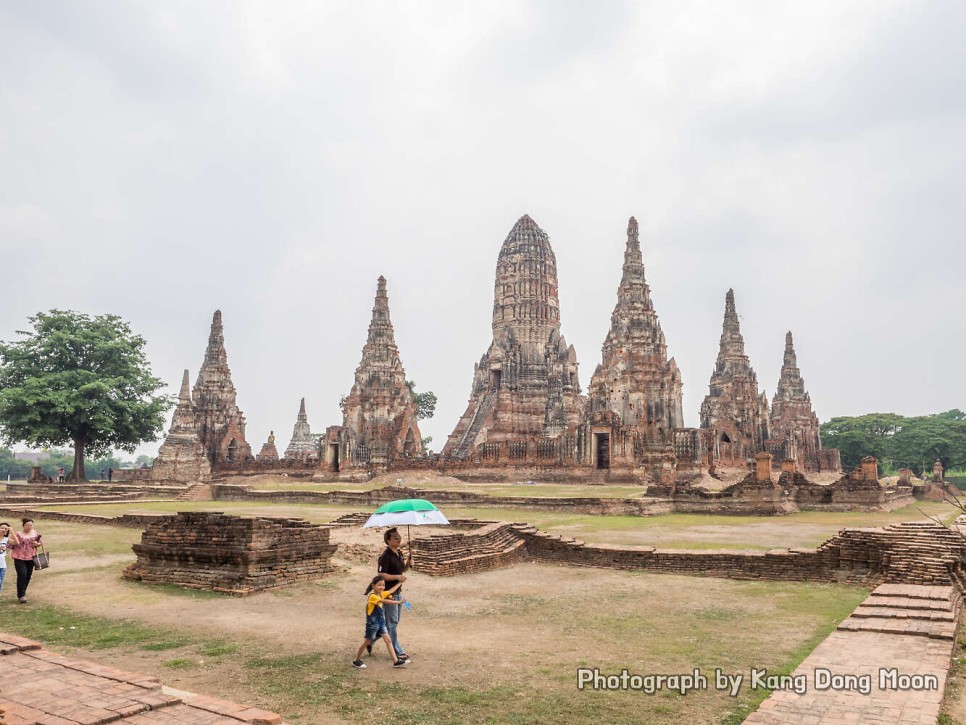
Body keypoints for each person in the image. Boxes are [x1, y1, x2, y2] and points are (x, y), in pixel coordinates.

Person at [352, 575, 409, 669]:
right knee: (366, 642)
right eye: (379, 585)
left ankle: (396, 661)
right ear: (373, 586)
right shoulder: (373, 597)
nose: (382, 587)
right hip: (373, 625)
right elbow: (385, 601)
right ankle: (356, 660)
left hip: (381, 622)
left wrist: (400, 582)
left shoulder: (381, 593)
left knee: (388, 640)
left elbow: (391, 591)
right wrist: (399, 602)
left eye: (383, 585)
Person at [375, 527, 412, 660]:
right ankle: (397, 651)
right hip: (388, 593)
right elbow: (381, 575)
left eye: (399, 537)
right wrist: (397, 577)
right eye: (395, 537)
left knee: (393, 621)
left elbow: (401, 570)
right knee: (392, 622)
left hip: (397, 591)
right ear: (388, 540)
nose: (399, 539)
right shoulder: (385, 556)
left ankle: (370, 641)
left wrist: (407, 564)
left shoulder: (399, 553)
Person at [8, 518, 42, 603]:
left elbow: (40, 543)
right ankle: (21, 595)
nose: (29, 527)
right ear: (23, 526)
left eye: (30, 525)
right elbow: (10, 544)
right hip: (19, 557)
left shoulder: (35, 534)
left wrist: (37, 544)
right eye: (27, 525)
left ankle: (22, 592)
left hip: (31, 558)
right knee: (22, 575)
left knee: (28, 576)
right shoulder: (18, 534)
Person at [0, 522, 9, 594]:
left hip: (2, 565)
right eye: (2, 528)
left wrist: (11, 531)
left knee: (0, 582)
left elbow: (17, 542)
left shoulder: (6, 539)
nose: (3, 530)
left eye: (5, 528)